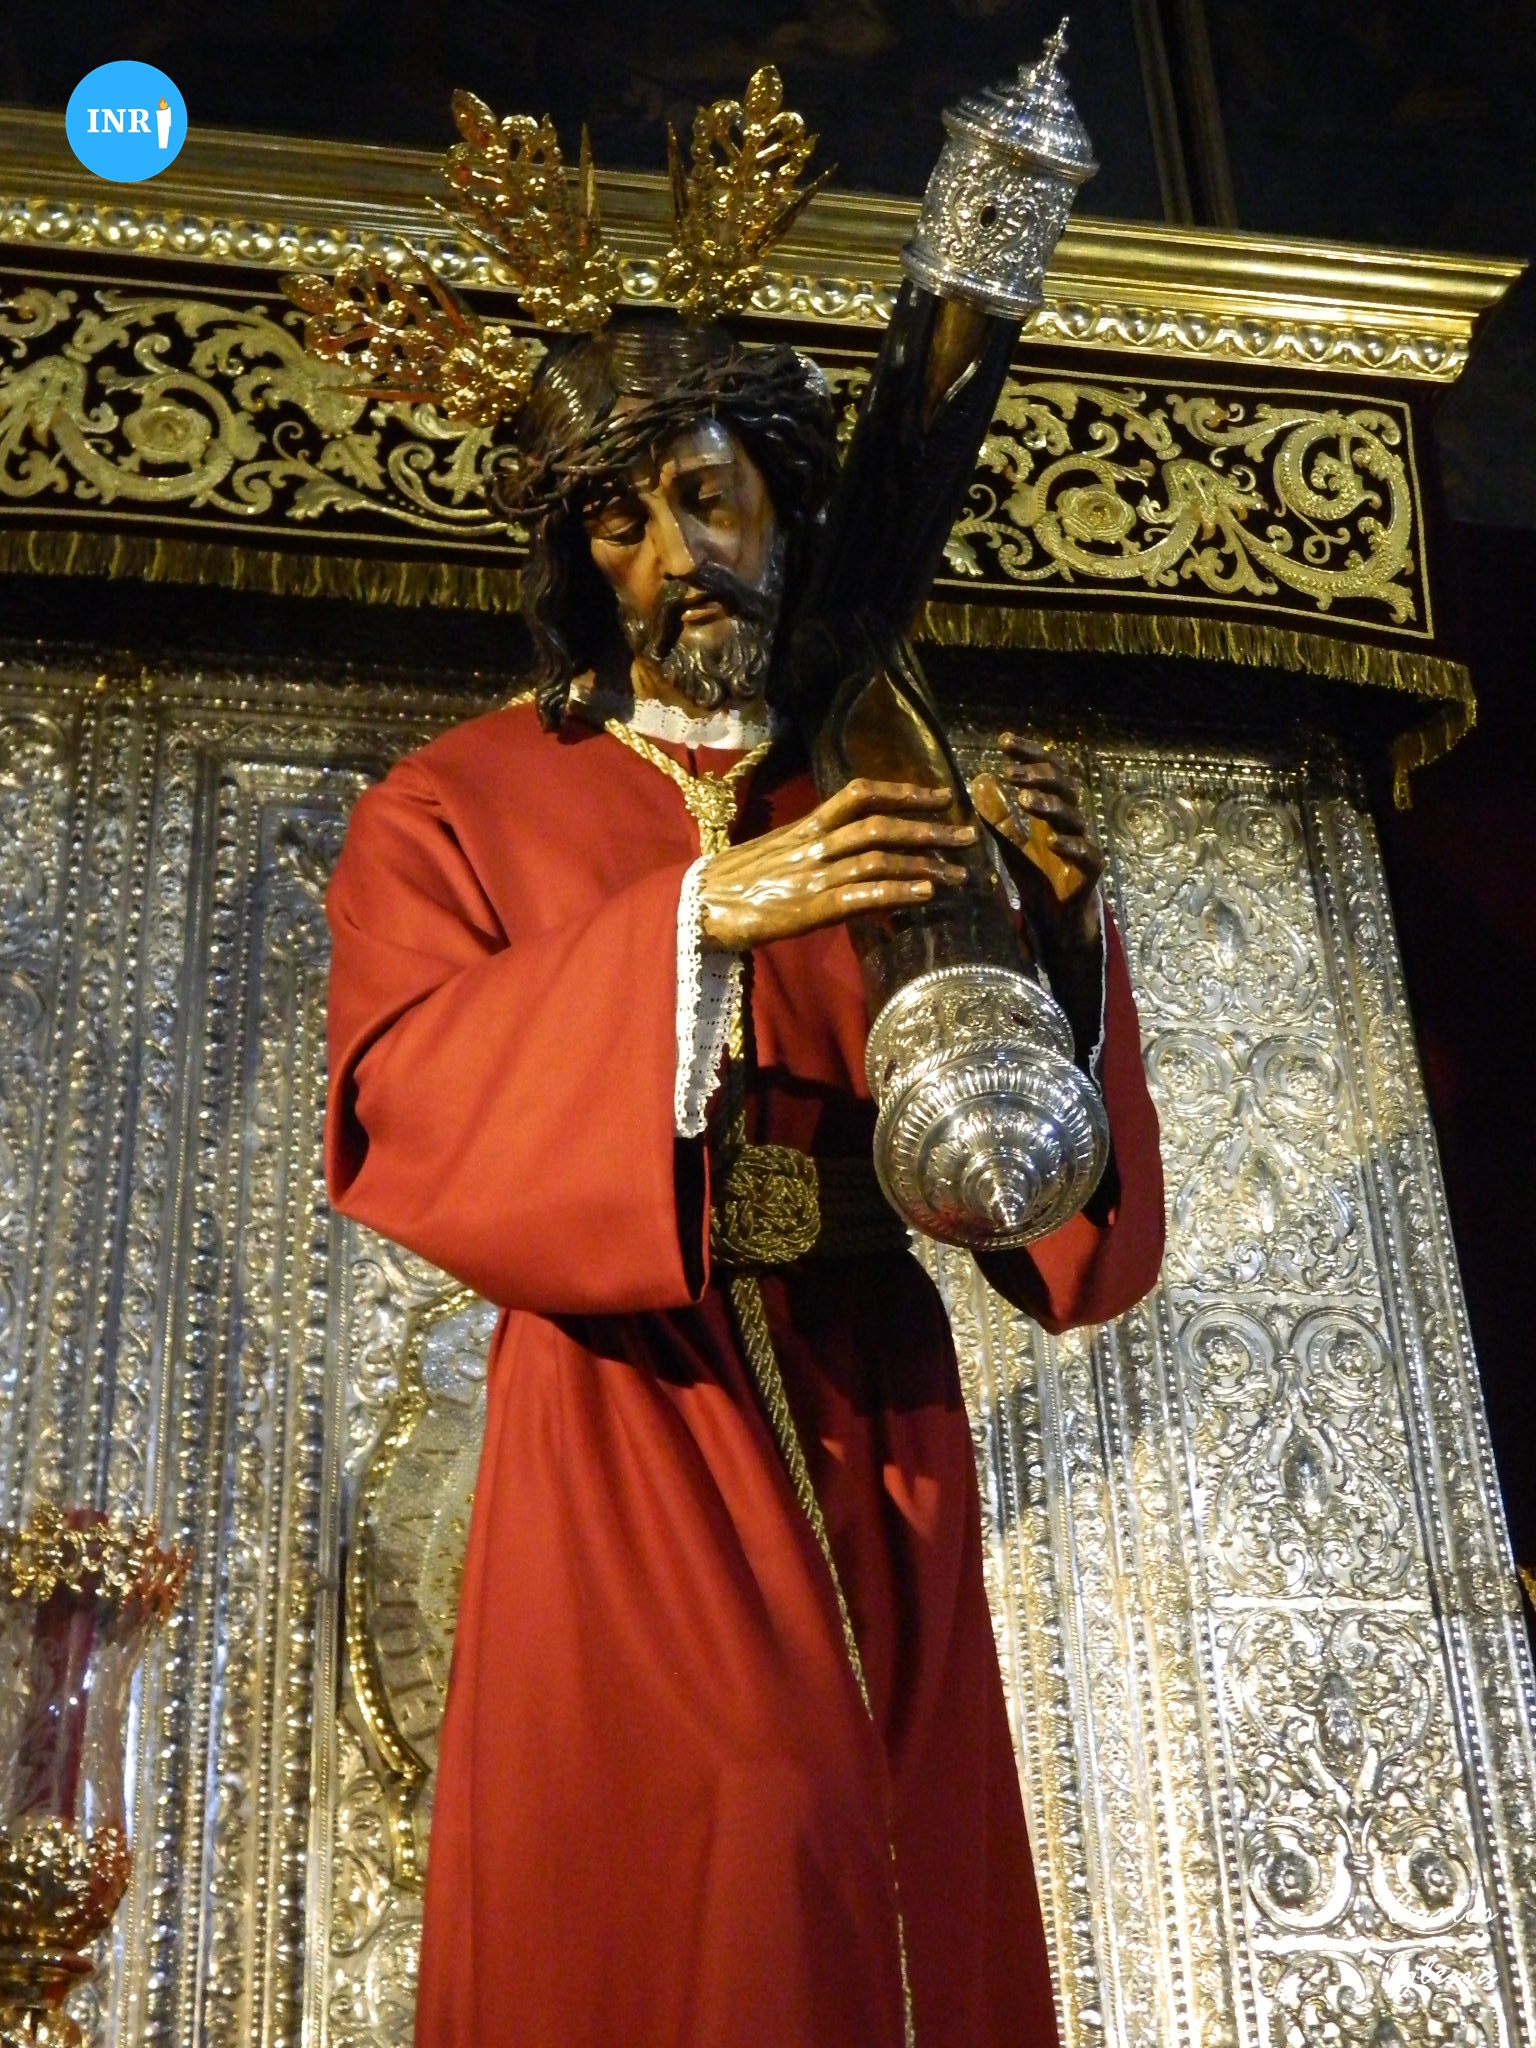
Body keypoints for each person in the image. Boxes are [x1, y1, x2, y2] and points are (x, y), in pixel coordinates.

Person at [324, 312, 1163, 2048]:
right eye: (619, 525)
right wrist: (702, 916)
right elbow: (402, 1098)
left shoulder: (874, 767)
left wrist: (1056, 947)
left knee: (903, 1847)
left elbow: (1044, 1222)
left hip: (877, 1395)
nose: (676, 560)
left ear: (783, 502)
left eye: (709, 501)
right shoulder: (460, 803)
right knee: (750, 1819)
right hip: (633, 1404)